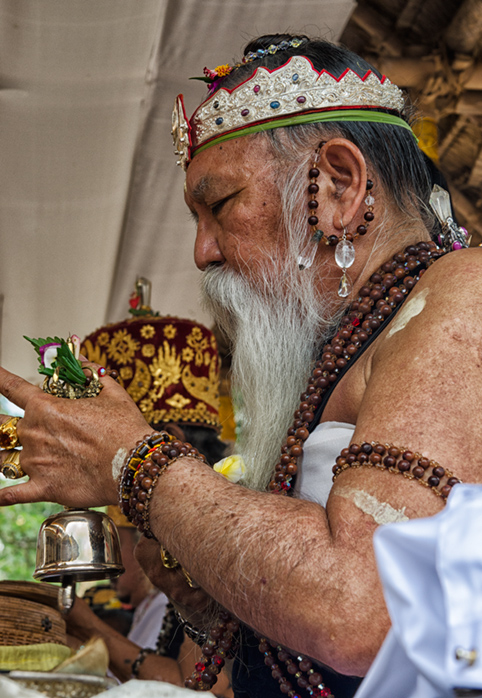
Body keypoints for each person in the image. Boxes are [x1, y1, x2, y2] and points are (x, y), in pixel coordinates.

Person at [0, 32, 481, 698]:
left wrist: (131, 463)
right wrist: (201, 600)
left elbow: (365, 609)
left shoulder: (465, 295)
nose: (202, 252)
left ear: (338, 186)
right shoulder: (352, 344)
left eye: (219, 206)